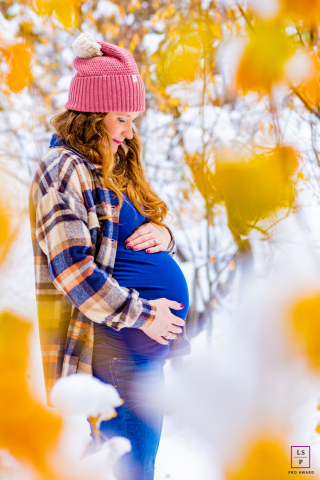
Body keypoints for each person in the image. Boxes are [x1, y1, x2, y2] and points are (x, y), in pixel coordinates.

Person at [29, 32, 190, 480]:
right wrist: (145, 315)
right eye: (122, 118)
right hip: (111, 346)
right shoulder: (62, 171)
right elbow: (74, 271)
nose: (129, 131)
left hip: (136, 348)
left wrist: (164, 235)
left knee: (139, 464)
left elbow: (132, 230)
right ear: (92, 116)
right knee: (131, 468)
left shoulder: (107, 162)